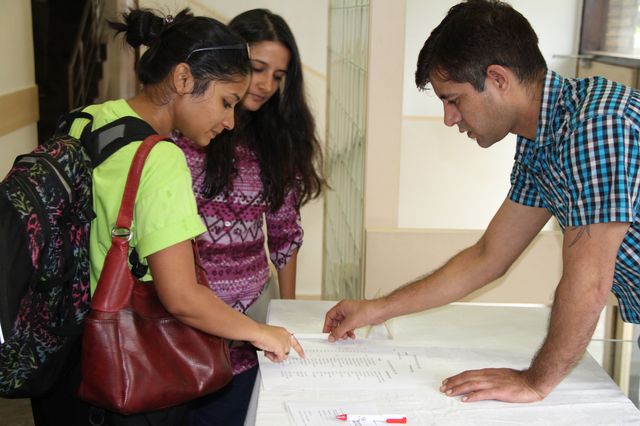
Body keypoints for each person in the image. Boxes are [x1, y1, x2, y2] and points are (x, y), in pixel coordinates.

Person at [324, 0, 640, 404]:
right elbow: (489, 256)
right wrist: (377, 308)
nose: (449, 118)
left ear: (498, 79)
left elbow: (590, 281)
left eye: (454, 99)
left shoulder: (596, 126)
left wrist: (534, 381)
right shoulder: (541, 141)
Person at [30, 8, 305, 426]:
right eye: (226, 102)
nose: (230, 121)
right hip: (127, 366)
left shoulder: (89, 118)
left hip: (70, 356)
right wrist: (261, 332)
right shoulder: (162, 158)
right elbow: (181, 296)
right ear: (183, 78)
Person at [173, 9, 325, 425]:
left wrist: (286, 312)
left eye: (278, 76)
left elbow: (285, 235)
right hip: (184, 321)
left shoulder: (279, 140)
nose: (266, 85)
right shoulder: (187, 132)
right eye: (257, 68)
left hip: (251, 322)